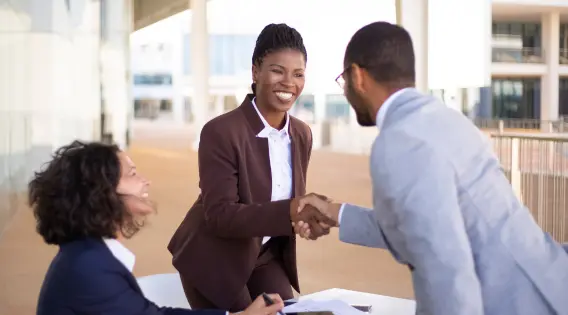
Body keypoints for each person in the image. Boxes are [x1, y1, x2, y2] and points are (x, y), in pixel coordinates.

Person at [295, 21, 568, 315]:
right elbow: (418, 224)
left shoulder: (400, 141)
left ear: (358, 77)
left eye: (344, 81)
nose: (346, 92)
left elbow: (447, 272)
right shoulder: (444, 119)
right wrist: (334, 213)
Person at [167, 23, 334, 312]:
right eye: (277, 70)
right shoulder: (220, 132)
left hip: (264, 255)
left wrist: (304, 220)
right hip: (214, 256)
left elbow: (283, 207)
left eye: (298, 74)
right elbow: (220, 215)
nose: (289, 83)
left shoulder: (301, 134)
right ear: (255, 71)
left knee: (289, 311)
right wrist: (292, 210)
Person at [32, 140, 286, 315]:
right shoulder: (90, 268)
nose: (146, 182)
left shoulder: (87, 256)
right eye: (132, 174)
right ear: (100, 193)